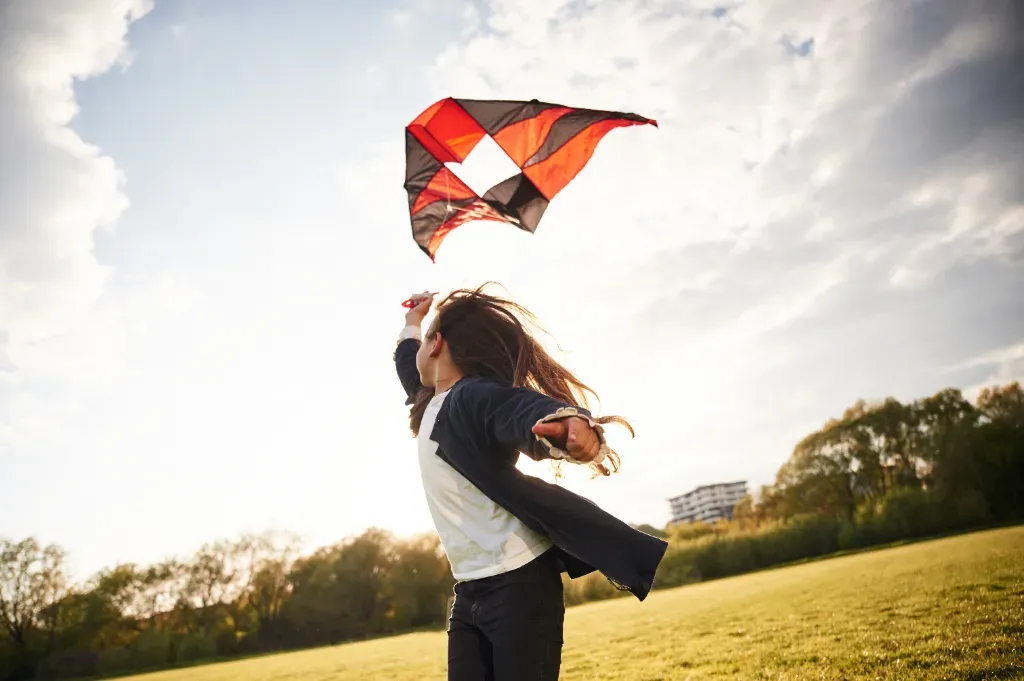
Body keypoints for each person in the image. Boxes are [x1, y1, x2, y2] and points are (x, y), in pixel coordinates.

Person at [394, 284, 667, 681]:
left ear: (436, 344)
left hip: (519, 587)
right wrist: (412, 322)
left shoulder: (471, 396)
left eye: (424, 338)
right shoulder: (428, 399)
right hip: (469, 591)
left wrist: (569, 425)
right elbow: (407, 362)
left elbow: (518, 410)